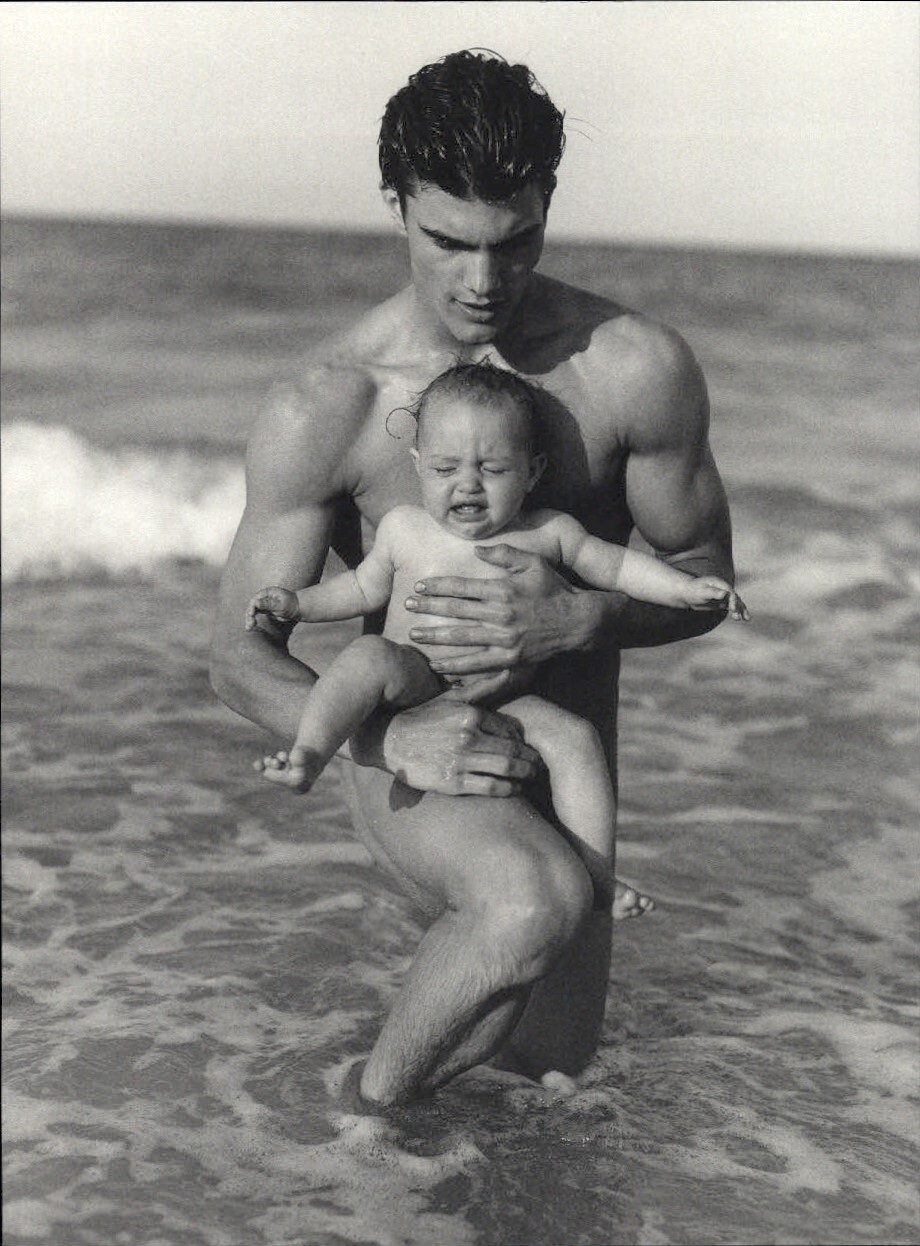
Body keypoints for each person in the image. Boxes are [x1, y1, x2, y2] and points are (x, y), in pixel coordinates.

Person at [210, 49, 741, 1107]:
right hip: (410, 755)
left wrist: (579, 619)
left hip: (566, 771)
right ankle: (352, 1139)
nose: (482, 283)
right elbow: (235, 652)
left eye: (514, 242)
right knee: (518, 909)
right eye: (446, 241)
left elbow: (702, 575)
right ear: (394, 203)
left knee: (539, 1090)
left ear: (547, 203)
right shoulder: (335, 403)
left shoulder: (633, 371)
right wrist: (383, 732)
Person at [244, 361, 747, 916]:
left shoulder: (549, 532)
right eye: (445, 467)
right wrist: (299, 604)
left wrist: (690, 589)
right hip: (414, 675)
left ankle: (598, 877)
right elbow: (360, 590)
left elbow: (619, 568)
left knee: (577, 739)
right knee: (365, 655)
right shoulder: (405, 528)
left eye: (493, 468)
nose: (468, 484)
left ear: (531, 472)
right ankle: (309, 755)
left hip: (506, 694)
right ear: (418, 467)